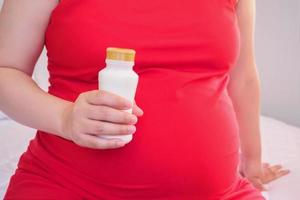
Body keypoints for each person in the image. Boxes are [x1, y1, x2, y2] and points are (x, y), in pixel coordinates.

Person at [0, 0, 289, 199]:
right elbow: (5, 71)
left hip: (219, 193)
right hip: (69, 186)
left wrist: (252, 162)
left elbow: (243, 78)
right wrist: (64, 118)